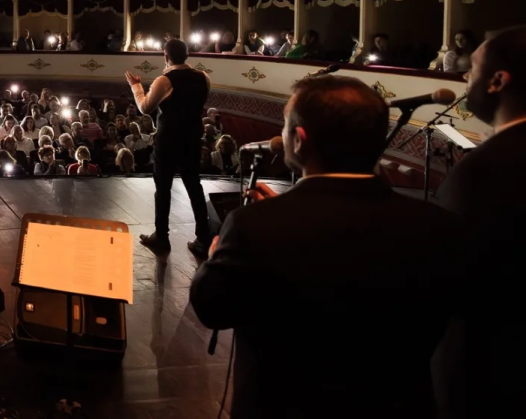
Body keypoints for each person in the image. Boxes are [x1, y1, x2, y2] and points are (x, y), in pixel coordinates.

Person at [190, 76, 464, 419]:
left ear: (300, 140)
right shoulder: (438, 226)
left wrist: (219, 254)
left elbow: (212, 308)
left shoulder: (254, 226)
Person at [433, 25, 526, 418]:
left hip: (490, 374)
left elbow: (443, 277)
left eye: (472, 69)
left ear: (497, 81)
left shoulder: (487, 169)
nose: (464, 78)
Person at [125, 39, 212, 257]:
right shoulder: (203, 77)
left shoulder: (164, 80)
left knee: (163, 187)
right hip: (192, 138)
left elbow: (145, 108)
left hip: (169, 139)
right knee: (194, 186)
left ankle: (162, 236)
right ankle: (204, 238)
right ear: (187, 55)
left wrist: (136, 86)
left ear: (165, 56)